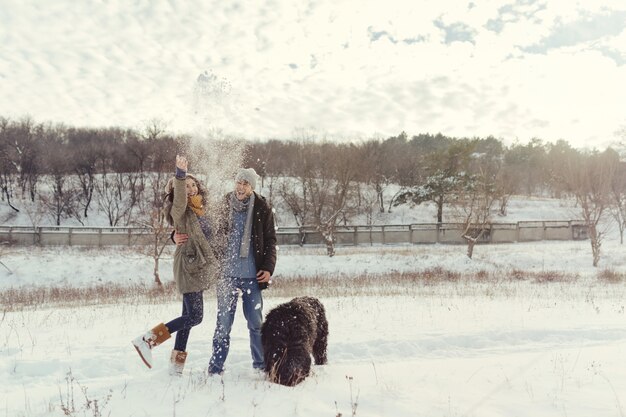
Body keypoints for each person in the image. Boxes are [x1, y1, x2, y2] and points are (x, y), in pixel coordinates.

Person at [174, 167, 277, 376]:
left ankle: (260, 366)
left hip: (253, 276)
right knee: (223, 325)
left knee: (256, 323)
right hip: (226, 275)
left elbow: (271, 240)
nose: (240, 186)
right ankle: (215, 368)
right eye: (238, 182)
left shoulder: (262, 206)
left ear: (252, 187)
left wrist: (268, 268)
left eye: (245, 183)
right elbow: (197, 223)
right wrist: (172, 236)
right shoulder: (223, 203)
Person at [132, 155, 218, 376]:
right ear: (176, 191)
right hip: (188, 266)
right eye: (184, 186)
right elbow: (179, 200)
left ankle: (176, 367)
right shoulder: (179, 210)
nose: (189, 188)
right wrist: (179, 174)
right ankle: (148, 339)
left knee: (187, 318)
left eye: (192, 184)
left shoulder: (203, 210)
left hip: (199, 266)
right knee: (196, 317)